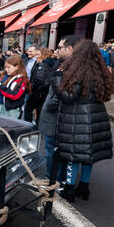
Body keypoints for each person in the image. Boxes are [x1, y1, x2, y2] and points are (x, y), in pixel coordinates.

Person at [53, 40, 114, 203]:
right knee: (88, 157)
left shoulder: (79, 72)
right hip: (97, 117)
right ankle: (84, 188)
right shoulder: (100, 71)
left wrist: (58, 78)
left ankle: (69, 191)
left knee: (74, 156)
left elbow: (68, 97)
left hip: (77, 119)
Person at [39, 35, 80, 183]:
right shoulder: (63, 64)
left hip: (56, 118)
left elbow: (63, 92)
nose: (57, 50)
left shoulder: (70, 68)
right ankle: (54, 178)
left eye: (60, 47)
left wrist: (51, 104)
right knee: (53, 150)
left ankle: (52, 179)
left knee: (52, 150)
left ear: (69, 49)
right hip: (55, 117)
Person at [24, 47, 55, 126]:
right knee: (39, 112)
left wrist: (31, 87)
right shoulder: (50, 64)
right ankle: (37, 129)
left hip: (37, 93)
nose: (37, 56)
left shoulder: (42, 65)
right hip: (44, 93)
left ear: (43, 55)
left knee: (28, 109)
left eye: (38, 54)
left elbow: (39, 79)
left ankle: (28, 127)